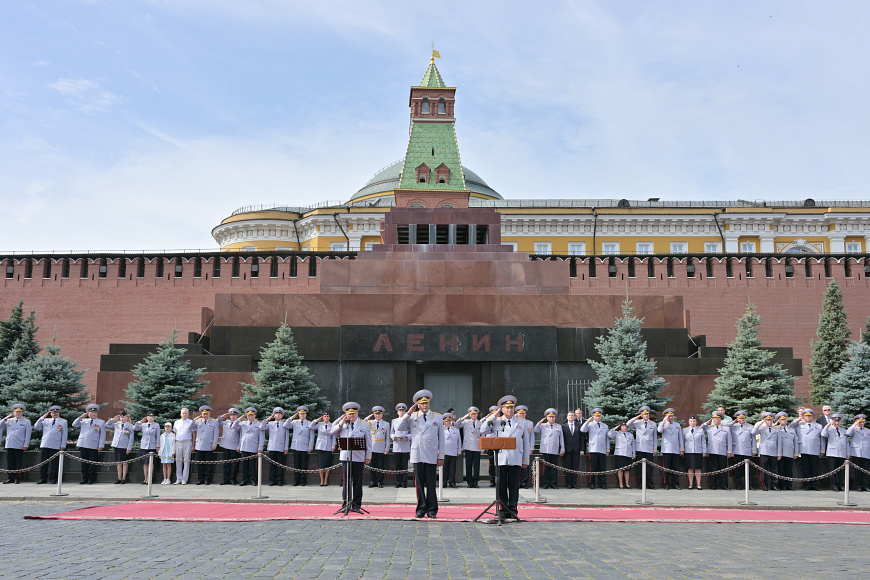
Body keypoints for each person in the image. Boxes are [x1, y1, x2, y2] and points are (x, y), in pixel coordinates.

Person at [480, 395, 527, 523]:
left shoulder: (521, 422)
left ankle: (513, 509)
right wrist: (493, 416)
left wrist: (525, 460)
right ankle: (502, 509)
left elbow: (526, 442)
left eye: (511, 407)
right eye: (507, 408)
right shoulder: (496, 421)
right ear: (502, 409)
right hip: (501, 457)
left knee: (514, 485)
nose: (510, 410)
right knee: (501, 485)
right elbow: (483, 429)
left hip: (515, 457)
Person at [399, 389, 445, 519]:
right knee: (419, 484)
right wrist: (408, 413)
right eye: (422, 403)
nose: (425, 405)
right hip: (418, 454)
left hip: (431, 454)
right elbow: (400, 427)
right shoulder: (412, 417)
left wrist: (441, 456)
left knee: (431, 483)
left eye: (427, 403)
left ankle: (432, 509)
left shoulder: (437, 417)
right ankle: (421, 508)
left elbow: (441, 438)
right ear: (417, 405)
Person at [329, 402, 372, 513]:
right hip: (346, 457)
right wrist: (341, 422)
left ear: (357, 413)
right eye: (349, 414)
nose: (351, 416)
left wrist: (368, 456)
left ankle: (356, 504)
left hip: (359, 457)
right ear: (346, 414)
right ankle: (346, 503)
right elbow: (331, 431)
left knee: (357, 481)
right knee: (346, 481)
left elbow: (369, 442)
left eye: (353, 414)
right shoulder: (343, 424)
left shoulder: (364, 424)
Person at [33, 405, 67, 485]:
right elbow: (36, 426)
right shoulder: (46, 420)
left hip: (55, 445)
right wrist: (42, 417)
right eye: (53, 412)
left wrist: (63, 444)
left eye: (56, 412)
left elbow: (64, 434)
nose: (55, 414)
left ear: (59, 413)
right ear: (50, 413)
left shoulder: (63, 422)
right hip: (45, 444)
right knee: (43, 463)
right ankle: (43, 478)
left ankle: (53, 478)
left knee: (54, 464)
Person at [73, 403, 105, 485]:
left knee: (92, 463)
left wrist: (101, 445)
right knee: (83, 463)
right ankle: (84, 478)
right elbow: (74, 424)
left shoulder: (101, 422)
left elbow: (102, 435)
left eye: (94, 412)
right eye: (91, 412)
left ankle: (91, 479)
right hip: (83, 444)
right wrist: (81, 417)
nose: (93, 414)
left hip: (93, 445)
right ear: (88, 413)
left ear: (97, 413)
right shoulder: (83, 421)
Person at [792, 409, 823, 490]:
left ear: (813, 416)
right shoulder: (799, 425)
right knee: (806, 469)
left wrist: (822, 450)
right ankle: (807, 485)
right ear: (804, 417)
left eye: (810, 416)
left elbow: (821, 439)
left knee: (814, 469)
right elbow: (790, 426)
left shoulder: (819, 426)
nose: (808, 417)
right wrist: (798, 419)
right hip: (804, 449)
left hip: (814, 449)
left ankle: (815, 484)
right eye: (806, 416)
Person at [627, 406, 657, 489]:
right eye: (644, 414)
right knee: (640, 467)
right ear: (642, 415)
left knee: (649, 467)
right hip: (640, 447)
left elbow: (655, 437)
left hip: (649, 448)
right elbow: (628, 424)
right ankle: (641, 483)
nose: (646, 415)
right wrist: (636, 418)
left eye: (647, 414)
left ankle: (649, 483)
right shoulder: (638, 422)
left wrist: (655, 448)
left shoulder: (653, 424)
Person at [259, 407, 291, 486]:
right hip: (272, 447)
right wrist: (267, 419)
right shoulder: (270, 424)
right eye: (276, 414)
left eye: (279, 414)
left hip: (281, 447)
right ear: (274, 415)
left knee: (280, 465)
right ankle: (272, 480)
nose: (278, 415)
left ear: (282, 416)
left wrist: (286, 448)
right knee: (272, 465)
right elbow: (261, 427)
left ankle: (279, 480)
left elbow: (286, 437)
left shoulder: (285, 424)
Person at [1, 403, 32, 484]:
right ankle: (10, 478)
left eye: (20, 412)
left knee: (18, 462)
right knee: (10, 462)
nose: (18, 413)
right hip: (10, 443)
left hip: (19, 444)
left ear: (22, 413)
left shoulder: (26, 421)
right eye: (16, 412)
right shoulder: (9, 420)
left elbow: (28, 434)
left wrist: (26, 444)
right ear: (13, 412)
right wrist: (4, 419)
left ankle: (17, 478)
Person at [286, 406, 316, 486]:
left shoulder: (309, 423)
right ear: (298, 415)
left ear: (306, 415)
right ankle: (296, 480)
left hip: (304, 446)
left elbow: (312, 436)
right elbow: (285, 425)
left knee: (303, 464)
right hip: (296, 446)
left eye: (303, 414)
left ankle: (303, 480)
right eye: (300, 414)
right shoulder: (294, 422)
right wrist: (292, 417)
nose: (302, 415)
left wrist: (310, 446)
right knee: (296, 464)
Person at [535, 409, 565, 489]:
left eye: (553, 417)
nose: (551, 418)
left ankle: (554, 483)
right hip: (546, 449)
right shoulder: (543, 425)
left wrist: (562, 448)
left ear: (555, 418)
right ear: (547, 418)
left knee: (554, 467)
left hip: (555, 448)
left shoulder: (558, 426)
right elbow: (535, 430)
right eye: (550, 417)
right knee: (546, 467)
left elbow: (561, 438)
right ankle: (546, 483)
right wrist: (539, 422)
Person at [581, 408, 609, 489]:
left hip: (602, 449)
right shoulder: (590, 424)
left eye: (599, 416)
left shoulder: (605, 426)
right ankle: (592, 483)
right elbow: (582, 430)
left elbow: (607, 438)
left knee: (602, 467)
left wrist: (607, 449)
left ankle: (602, 483)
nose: (598, 417)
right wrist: (588, 421)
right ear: (593, 416)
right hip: (593, 448)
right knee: (592, 467)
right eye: (596, 416)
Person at [752, 411, 780, 491]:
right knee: (763, 469)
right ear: (765, 421)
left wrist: (779, 453)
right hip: (764, 451)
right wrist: (761, 423)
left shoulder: (776, 429)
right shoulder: (762, 428)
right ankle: (764, 485)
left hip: (773, 451)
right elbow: (753, 432)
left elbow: (779, 441)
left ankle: (774, 485)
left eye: (770, 420)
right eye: (767, 420)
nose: (769, 422)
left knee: (774, 469)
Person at [703, 411, 732, 490]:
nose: (714, 420)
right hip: (713, 451)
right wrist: (706, 423)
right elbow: (700, 430)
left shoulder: (726, 428)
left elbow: (729, 440)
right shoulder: (709, 428)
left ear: (720, 419)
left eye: (716, 418)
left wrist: (729, 451)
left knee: (724, 469)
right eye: (713, 418)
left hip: (722, 451)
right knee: (713, 468)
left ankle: (724, 485)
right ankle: (713, 484)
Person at [192, 405, 220, 485]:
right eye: (204, 414)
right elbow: (191, 428)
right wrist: (194, 420)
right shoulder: (198, 421)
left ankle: (207, 479)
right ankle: (200, 479)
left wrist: (214, 444)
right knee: (200, 464)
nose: (205, 415)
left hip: (209, 445)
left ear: (209, 414)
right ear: (201, 414)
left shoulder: (214, 422)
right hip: (199, 445)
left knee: (208, 464)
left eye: (206, 414)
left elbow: (216, 434)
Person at [105, 411, 135, 484]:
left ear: (127, 418)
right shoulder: (117, 424)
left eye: (123, 417)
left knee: (124, 462)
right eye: (121, 417)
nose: (122, 419)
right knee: (118, 462)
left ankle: (124, 478)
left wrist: (129, 448)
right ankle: (119, 478)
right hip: (117, 445)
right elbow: (107, 425)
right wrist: (112, 419)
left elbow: (131, 438)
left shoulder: (130, 426)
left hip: (124, 446)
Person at [729, 410, 757, 490]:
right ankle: (739, 485)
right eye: (740, 418)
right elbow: (725, 427)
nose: (742, 420)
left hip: (747, 450)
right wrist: (733, 422)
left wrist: (754, 450)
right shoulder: (733, 426)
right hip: (738, 450)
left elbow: (753, 439)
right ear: (737, 419)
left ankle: (750, 485)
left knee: (749, 470)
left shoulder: (750, 427)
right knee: (738, 469)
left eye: (743, 418)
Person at [455, 406, 481, 488]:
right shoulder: (466, 422)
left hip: (477, 446)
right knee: (468, 465)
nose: (473, 416)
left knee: (476, 466)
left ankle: (476, 482)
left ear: (477, 415)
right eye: (472, 414)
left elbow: (483, 435)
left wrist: (482, 448)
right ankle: (469, 482)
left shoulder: (480, 422)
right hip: (468, 446)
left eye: (475, 414)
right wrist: (464, 417)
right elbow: (456, 424)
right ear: (470, 415)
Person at [658, 408, 684, 489]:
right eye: (669, 416)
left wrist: (681, 449)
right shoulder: (663, 424)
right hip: (667, 449)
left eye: (672, 416)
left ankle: (675, 484)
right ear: (666, 417)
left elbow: (680, 437)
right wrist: (664, 421)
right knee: (666, 467)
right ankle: (666, 483)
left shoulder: (677, 425)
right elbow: (659, 430)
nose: (671, 417)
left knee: (676, 468)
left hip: (675, 449)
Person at [821, 414, 849, 492]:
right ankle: (834, 485)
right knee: (833, 471)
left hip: (842, 453)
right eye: (835, 421)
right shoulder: (829, 429)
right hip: (832, 453)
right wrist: (828, 425)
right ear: (832, 421)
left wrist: (848, 453)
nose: (837, 423)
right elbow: (823, 434)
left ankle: (841, 485)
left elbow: (846, 442)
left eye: (838, 421)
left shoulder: (843, 430)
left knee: (842, 471)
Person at [365, 406, 390, 488]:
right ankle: (372, 481)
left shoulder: (386, 424)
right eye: (376, 414)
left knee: (380, 466)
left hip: (381, 448)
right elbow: (363, 422)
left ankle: (379, 481)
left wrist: (387, 448)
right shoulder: (370, 422)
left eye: (379, 414)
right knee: (372, 466)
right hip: (372, 447)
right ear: (374, 414)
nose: (378, 415)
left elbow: (387, 437)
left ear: (382, 415)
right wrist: (368, 417)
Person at [238, 407, 264, 486]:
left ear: (255, 416)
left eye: (252, 415)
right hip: (244, 446)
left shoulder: (259, 424)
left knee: (253, 465)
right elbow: (234, 426)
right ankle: (244, 480)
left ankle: (253, 479)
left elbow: (261, 436)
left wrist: (260, 447)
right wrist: (240, 418)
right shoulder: (243, 423)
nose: (250, 417)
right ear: (246, 416)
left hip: (253, 446)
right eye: (249, 415)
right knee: (244, 465)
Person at [133, 411, 160, 485]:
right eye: (149, 416)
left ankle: (149, 478)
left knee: (151, 463)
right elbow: (135, 428)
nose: (151, 418)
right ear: (147, 417)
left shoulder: (156, 425)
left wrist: (157, 445)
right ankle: (145, 478)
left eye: (152, 417)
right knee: (145, 463)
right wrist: (140, 422)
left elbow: (158, 436)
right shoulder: (143, 425)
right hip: (144, 446)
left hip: (152, 446)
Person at [561, 411, 586, 489]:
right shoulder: (563, 426)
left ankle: (574, 483)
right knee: (567, 466)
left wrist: (582, 449)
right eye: (569, 415)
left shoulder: (579, 425)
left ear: (574, 417)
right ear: (567, 417)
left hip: (576, 449)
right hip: (567, 449)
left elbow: (582, 438)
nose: (571, 417)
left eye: (572, 415)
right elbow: (561, 438)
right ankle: (568, 483)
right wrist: (562, 449)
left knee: (575, 467)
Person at [217, 408, 241, 485]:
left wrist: (239, 446)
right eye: (231, 415)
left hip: (234, 446)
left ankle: (233, 479)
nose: (232, 416)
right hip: (226, 445)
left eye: (234, 415)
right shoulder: (226, 422)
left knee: (234, 464)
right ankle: (225, 479)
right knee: (226, 463)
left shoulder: (239, 423)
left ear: (237, 416)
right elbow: (217, 422)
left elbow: (241, 436)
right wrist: (222, 416)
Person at [775, 411, 798, 490]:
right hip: (781, 453)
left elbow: (795, 442)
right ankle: (782, 485)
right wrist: (778, 453)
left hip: (789, 452)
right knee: (781, 470)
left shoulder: (791, 430)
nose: (784, 421)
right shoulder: (776, 429)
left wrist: (796, 452)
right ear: (779, 421)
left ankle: (789, 485)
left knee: (789, 470)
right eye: (782, 420)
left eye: (785, 419)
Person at [846, 414, 869, 492]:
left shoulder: (867, 430)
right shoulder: (853, 429)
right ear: (856, 422)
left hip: (866, 453)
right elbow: (848, 433)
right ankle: (858, 485)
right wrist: (854, 425)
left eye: (863, 422)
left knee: (866, 470)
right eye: (860, 422)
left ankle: (865, 485)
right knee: (857, 471)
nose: (862, 423)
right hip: (856, 452)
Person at [311, 412, 335, 486]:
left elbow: (334, 436)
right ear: (323, 417)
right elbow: (310, 427)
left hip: (328, 446)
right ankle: (321, 479)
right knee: (321, 464)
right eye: (325, 416)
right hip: (320, 446)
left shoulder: (332, 425)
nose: (326, 417)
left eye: (327, 416)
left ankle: (326, 480)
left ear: (329, 417)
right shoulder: (319, 424)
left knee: (327, 464)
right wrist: (316, 420)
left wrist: (333, 446)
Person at [682, 416, 706, 489]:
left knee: (698, 468)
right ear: (689, 422)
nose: (692, 423)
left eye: (694, 421)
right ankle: (691, 484)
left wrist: (704, 451)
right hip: (688, 451)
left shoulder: (700, 430)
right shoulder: (684, 430)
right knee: (690, 468)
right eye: (691, 421)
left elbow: (703, 442)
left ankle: (699, 484)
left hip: (698, 451)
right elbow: (682, 441)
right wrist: (682, 450)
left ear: (696, 422)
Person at [391, 403, 411, 488]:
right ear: (397, 412)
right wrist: (393, 437)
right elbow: (391, 432)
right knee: (397, 465)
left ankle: (404, 482)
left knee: (405, 465)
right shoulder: (394, 421)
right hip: (397, 445)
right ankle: (398, 481)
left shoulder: (409, 420)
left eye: (403, 410)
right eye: (400, 411)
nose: (401, 412)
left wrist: (408, 437)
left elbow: (411, 432)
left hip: (405, 445)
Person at [608, 423, 634, 489]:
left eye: (625, 426)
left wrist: (633, 454)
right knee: (620, 469)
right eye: (623, 426)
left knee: (627, 470)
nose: (624, 427)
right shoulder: (617, 433)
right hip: (620, 453)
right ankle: (621, 483)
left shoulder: (630, 435)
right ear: (620, 427)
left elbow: (633, 445)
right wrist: (615, 427)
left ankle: (627, 484)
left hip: (628, 454)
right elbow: (609, 435)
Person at [172, 408, 195, 485]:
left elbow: (194, 434)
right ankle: (178, 478)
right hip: (178, 442)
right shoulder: (177, 422)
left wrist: (193, 445)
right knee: (178, 461)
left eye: (186, 413)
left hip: (187, 442)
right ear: (180, 414)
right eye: (183, 413)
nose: (184, 414)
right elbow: (175, 433)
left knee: (186, 461)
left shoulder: (191, 422)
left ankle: (184, 479)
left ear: (188, 414)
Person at [514, 405, 534, 489]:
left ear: (525, 414)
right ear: (517, 414)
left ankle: (524, 483)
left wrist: (531, 447)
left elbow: (532, 436)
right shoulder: (514, 421)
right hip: (517, 447)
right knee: (516, 465)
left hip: (526, 447)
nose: (521, 415)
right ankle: (517, 482)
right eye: (520, 413)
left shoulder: (529, 423)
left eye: (523, 413)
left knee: (525, 465)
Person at [443, 413, 461, 487]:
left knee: (452, 468)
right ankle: (444, 482)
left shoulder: (456, 430)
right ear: (444, 422)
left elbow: (459, 441)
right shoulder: (441, 430)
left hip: (453, 451)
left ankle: (452, 482)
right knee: (444, 468)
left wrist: (459, 450)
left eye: (449, 421)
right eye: (446, 421)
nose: (448, 423)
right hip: (444, 451)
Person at [485, 405, 499, 487]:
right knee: (491, 463)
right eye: (493, 413)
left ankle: (499, 479)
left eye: (496, 413)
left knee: (500, 463)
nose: (495, 414)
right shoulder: (488, 421)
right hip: (490, 444)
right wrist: (487, 418)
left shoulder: (502, 420)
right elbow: (483, 430)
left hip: (500, 444)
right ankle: (492, 479)